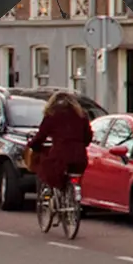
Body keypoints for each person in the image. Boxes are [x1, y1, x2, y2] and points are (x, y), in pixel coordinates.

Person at [27, 91, 92, 221]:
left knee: (46, 168)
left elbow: (40, 136)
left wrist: (32, 145)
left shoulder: (52, 115)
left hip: (61, 155)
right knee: (73, 176)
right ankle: (71, 198)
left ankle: (52, 197)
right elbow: (88, 137)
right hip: (80, 157)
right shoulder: (81, 115)